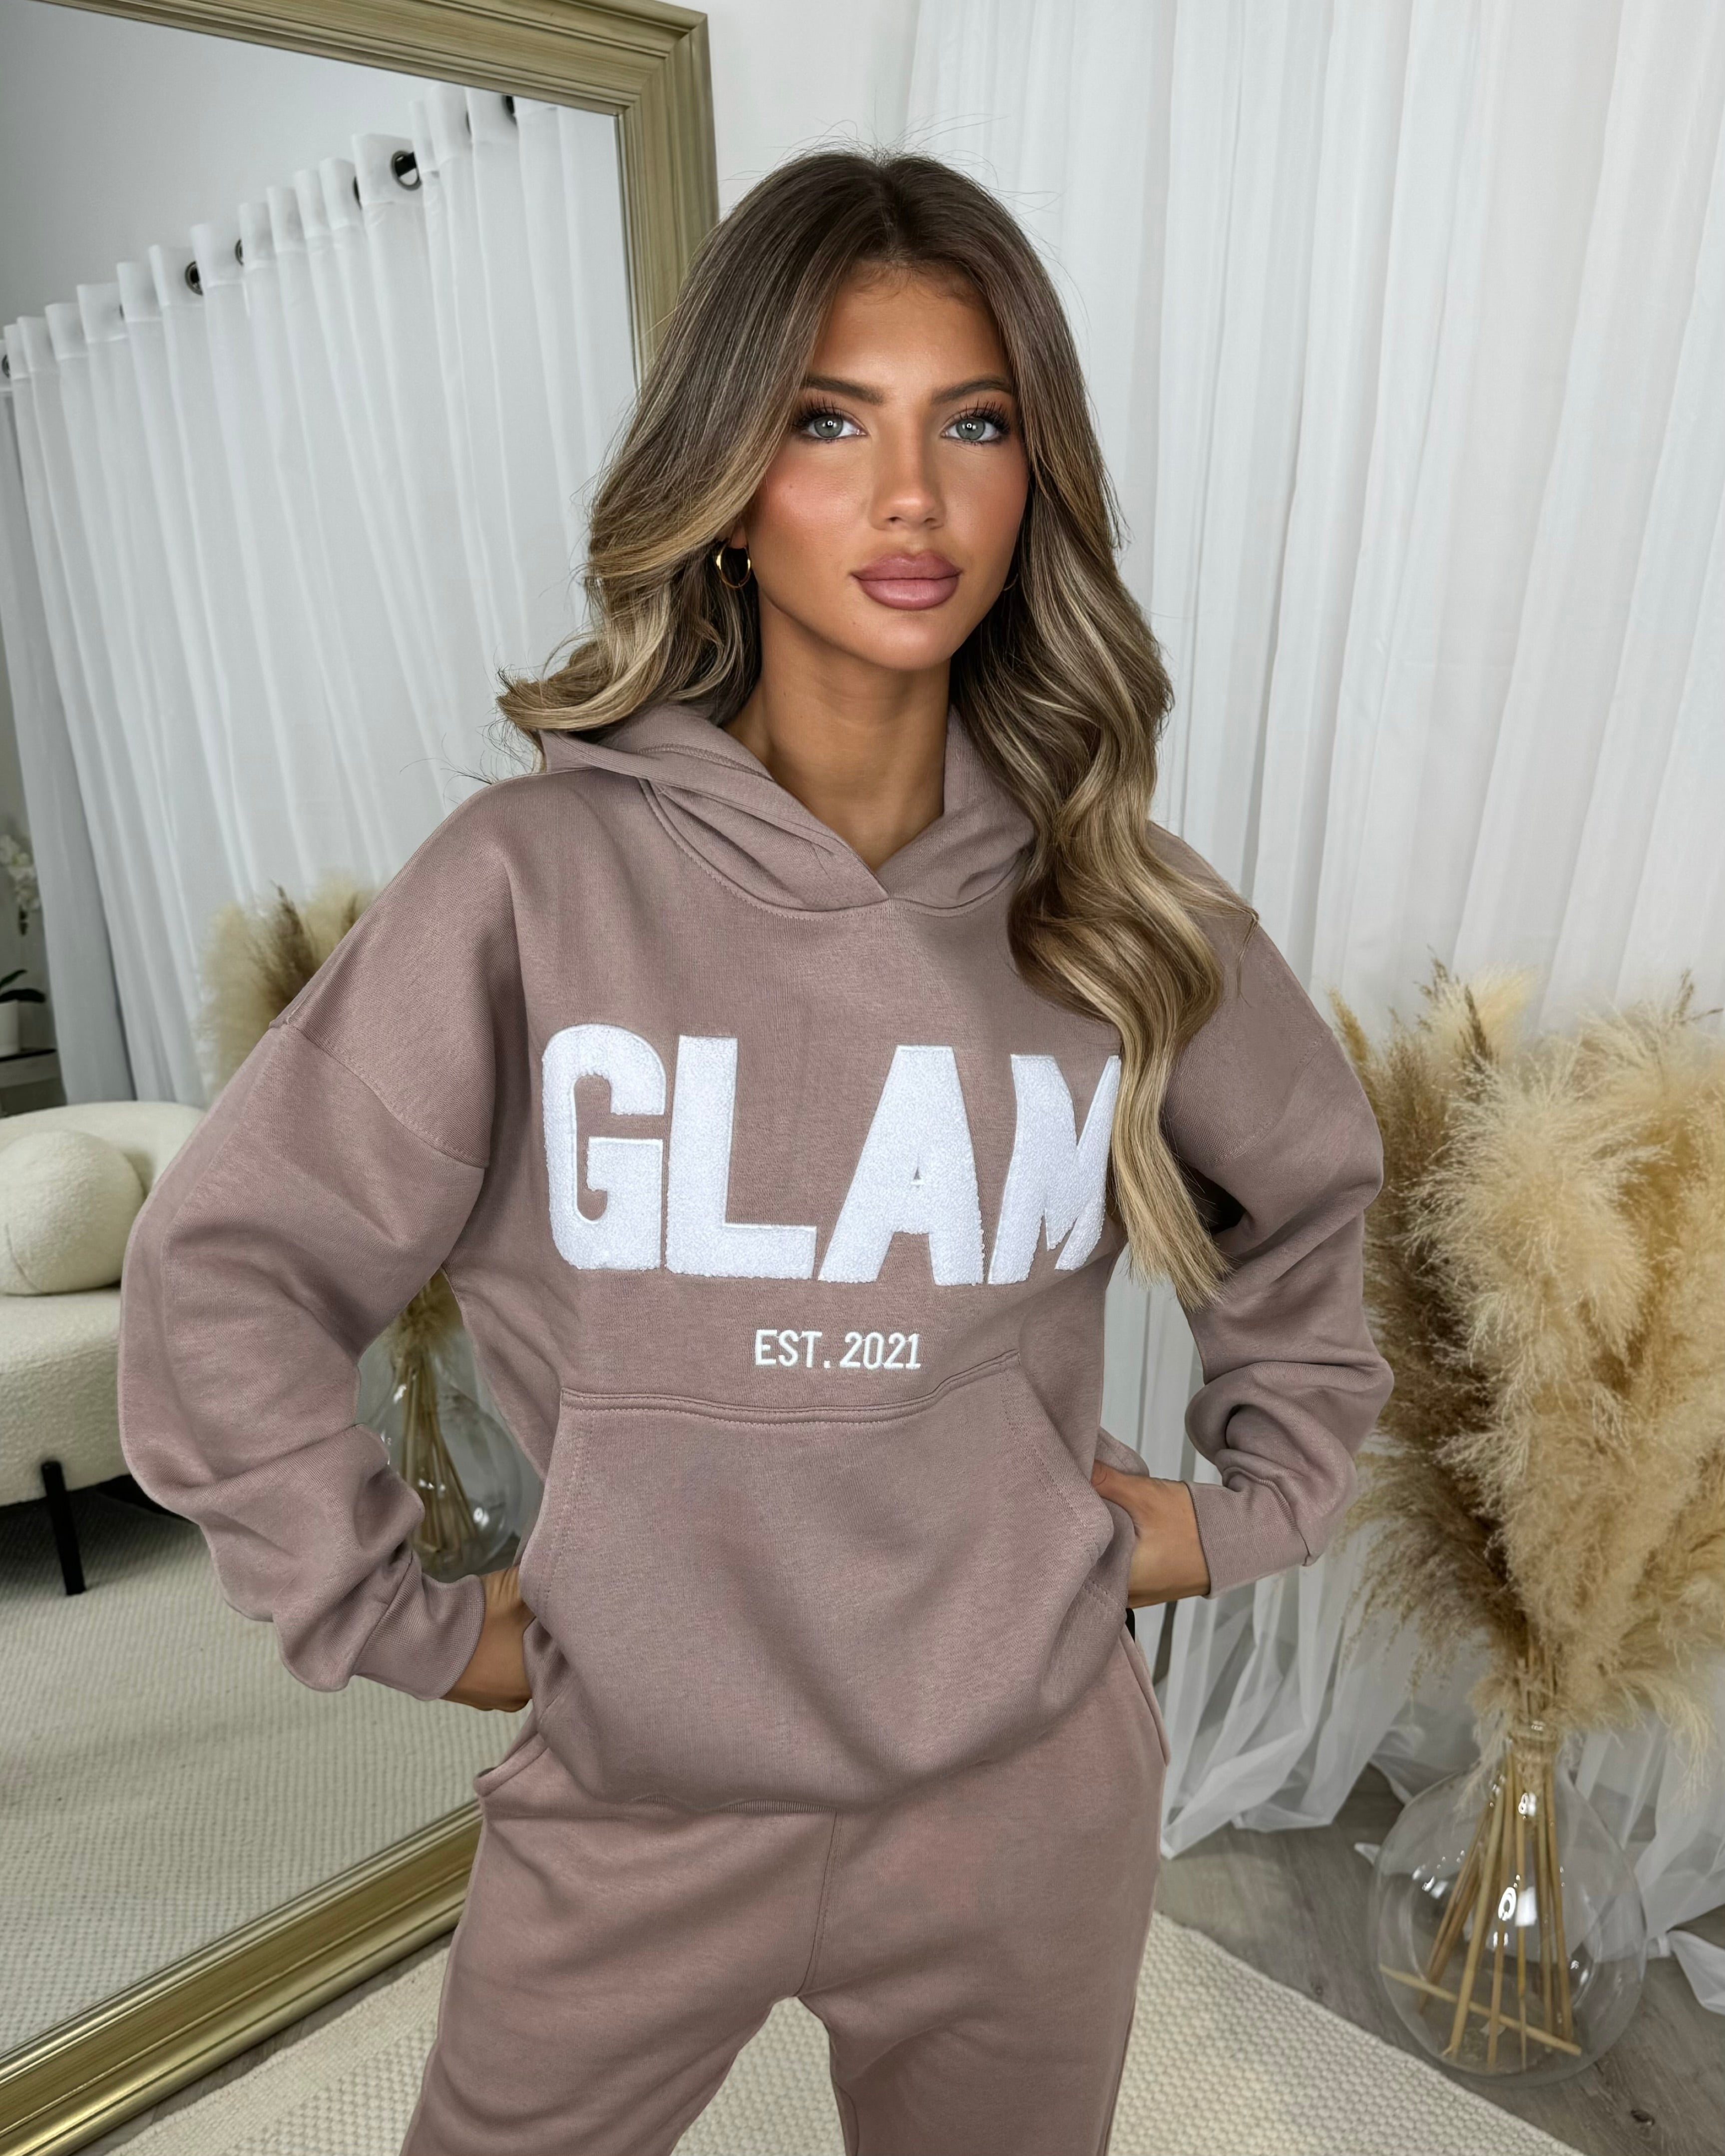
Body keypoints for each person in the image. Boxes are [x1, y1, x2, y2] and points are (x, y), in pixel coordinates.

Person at [118, 148, 1393, 2156]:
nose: (913, 499)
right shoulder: (530, 885)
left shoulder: (1120, 907)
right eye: (829, 422)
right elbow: (228, 1270)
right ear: (727, 480)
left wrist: (1244, 1507)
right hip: (640, 1801)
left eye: (975, 424)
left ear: (1036, 476)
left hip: (1022, 1802)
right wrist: (404, 1613)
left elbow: (1316, 1193)